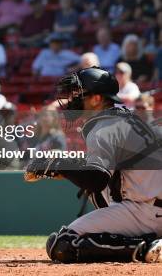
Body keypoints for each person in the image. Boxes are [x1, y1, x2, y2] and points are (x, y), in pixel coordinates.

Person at [24, 67, 162, 263]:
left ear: (97, 99)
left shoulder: (104, 125)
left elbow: (96, 179)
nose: (73, 100)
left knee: (63, 244)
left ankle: (147, 248)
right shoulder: (121, 119)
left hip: (147, 211)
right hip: (151, 206)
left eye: (79, 94)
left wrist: (59, 164)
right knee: (99, 195)